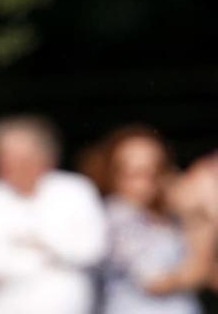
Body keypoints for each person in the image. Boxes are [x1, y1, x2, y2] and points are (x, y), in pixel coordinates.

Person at [0, 115, 106, 314]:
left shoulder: (76, 189)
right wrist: (56, 255)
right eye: (2, 157)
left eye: (20, 159)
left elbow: (91, 251)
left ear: (44, 157)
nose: (6, 165)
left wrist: (30, 240)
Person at [82, 126, 213, 314]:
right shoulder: (116, 217)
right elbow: (156, 283)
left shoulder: (166, 215)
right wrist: (204, 222)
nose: (146, 183)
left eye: (154, 172)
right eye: (135, 174)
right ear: (112, 173)